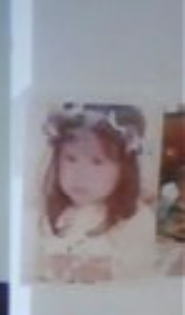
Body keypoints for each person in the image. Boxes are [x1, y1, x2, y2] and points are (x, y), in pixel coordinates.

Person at [36, 102, 156, 283]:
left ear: (124, 170)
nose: (80, 174)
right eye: (70, 159)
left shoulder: (136, 219)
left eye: (97, 162)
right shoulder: (54, 215)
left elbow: (138, 275)